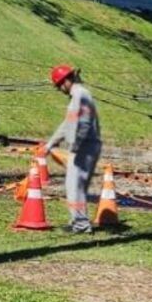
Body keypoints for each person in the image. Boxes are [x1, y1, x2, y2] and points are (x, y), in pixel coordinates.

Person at [44, 64, 101, 233]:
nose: (60, 89)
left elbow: (83, 124)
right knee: (72, 186)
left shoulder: (81, 96)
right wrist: (51, 143)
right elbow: (66, 125)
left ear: (66, 81)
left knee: (75, 186)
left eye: (60, 85)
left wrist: (75, 145)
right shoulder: (77, 96)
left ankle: (81, 224)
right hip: (82, 147)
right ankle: (77, 220)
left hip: (84, 147)